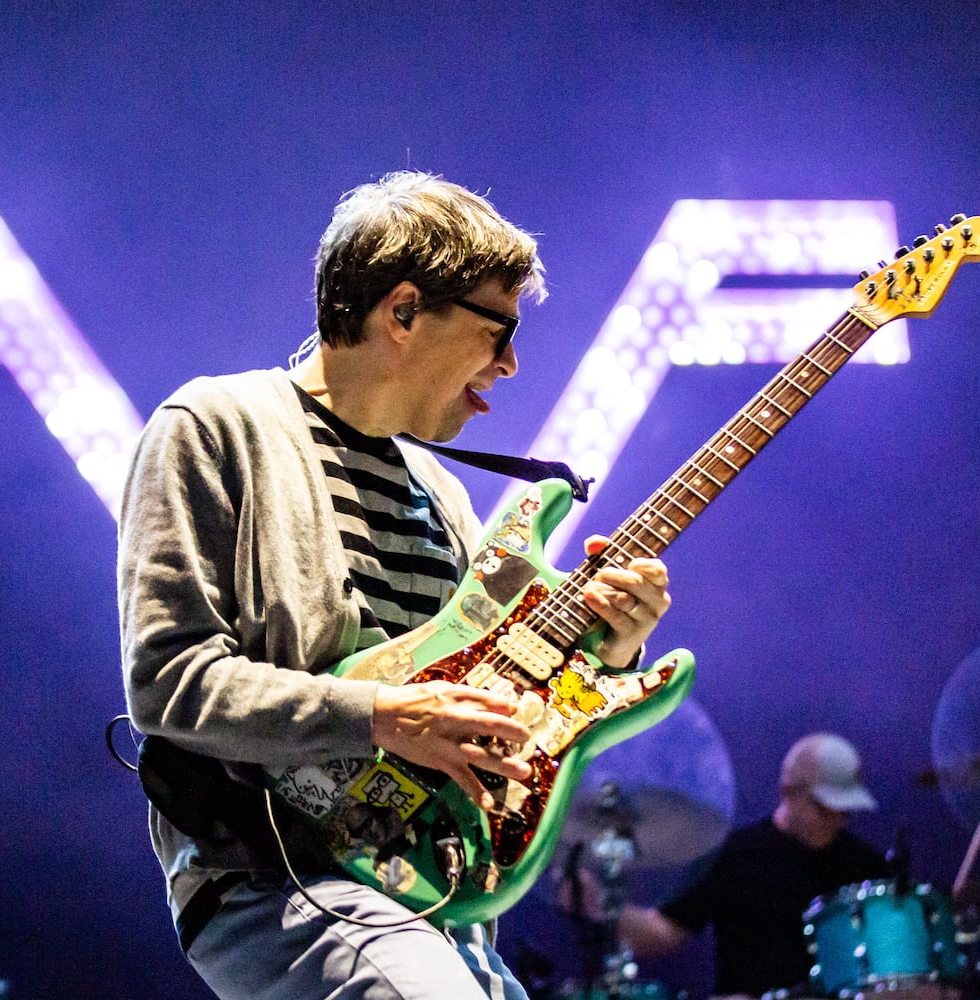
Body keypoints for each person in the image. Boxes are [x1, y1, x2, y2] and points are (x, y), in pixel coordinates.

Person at [118, 171, 675, 1000]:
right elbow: (168, 686)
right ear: (403, 311)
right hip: (278, 873)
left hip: (436, 905)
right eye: (498, 331)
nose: (512, 365)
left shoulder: (442, 496)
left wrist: (606, 644)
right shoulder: (213, 426)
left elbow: (493, 709)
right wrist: (382, 717)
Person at [573, 732, 887, 998]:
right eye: (824, 807)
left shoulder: (866, 868)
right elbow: (662, 932)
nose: (835, 819)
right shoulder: (735, 855)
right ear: (788, 792)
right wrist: (597, 904)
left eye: (845, 810)